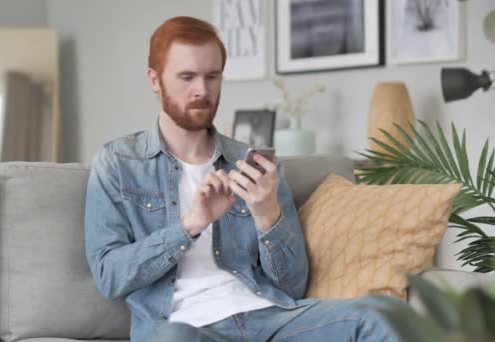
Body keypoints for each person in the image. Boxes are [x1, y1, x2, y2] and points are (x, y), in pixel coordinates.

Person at [85, 16, 399, 342]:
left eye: (212, 77)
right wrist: (191, 224)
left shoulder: (253, 163)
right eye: (187, 77)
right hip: (187, 330)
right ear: (155, 79)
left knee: (381, 313)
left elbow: (292, 286)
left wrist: (267, 215)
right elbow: (109, 277)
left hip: (268, 319)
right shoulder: (118, 163)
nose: (202, 91)